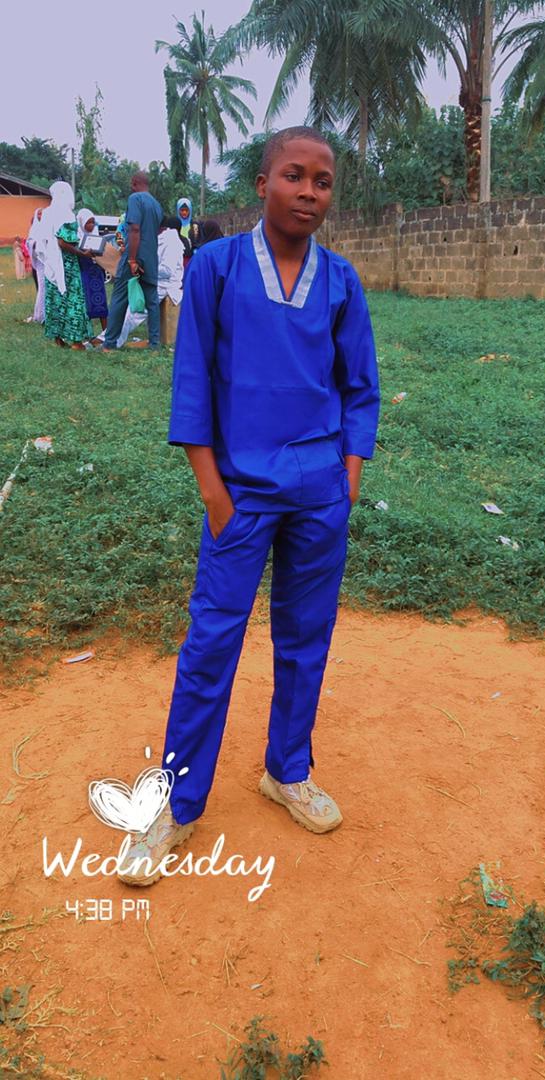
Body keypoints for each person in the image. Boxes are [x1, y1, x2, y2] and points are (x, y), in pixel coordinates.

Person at [117, 126, 380, 886]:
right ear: (263, 183)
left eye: (322, 181)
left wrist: (347, 477)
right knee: (211, 643)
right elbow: (193, 379)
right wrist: (213, 490)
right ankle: (176, 803)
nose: (308, 192)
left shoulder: (341, 281)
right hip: (239, 493)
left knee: (306, 638)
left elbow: (359, 386)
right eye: (293, 175)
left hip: (319, 493)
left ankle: (286, 770)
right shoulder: (218, 268)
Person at [101, 172, 163, 352]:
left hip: (135, 253)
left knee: (120, 297)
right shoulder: (156, 204)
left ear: (135, 183)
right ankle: (154, 344)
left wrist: (132, 259)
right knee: (152, 300)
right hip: (151, 256)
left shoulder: (135, 199)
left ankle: (109, 343)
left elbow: (134, 229)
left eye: (131, 184)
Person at [103, 216, 184, 348]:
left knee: (134, 312)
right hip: (152, 280)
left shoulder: (171, 242)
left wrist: (144, 269)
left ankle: (111, 340)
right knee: (127, 308)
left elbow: (167, 271)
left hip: (165, 285)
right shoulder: (159, 238)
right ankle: (107, 337)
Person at [41, 181, 92, 349]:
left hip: (51, 264)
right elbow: (63, 243)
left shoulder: (48, 213)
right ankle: (76, 342)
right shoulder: (67, 214)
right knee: (73, 300)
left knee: (55, 299)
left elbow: (44, 240)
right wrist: (83, 254)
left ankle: (58, 339)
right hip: (67, 265)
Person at [76, 209, 108, 343]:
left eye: (93, 222)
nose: (91, 225)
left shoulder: (96, 236)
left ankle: (106, 332)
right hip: (84, 273)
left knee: (101, 303)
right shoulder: (77, 238)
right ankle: (87, 334)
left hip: (97, 274)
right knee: (86, 303)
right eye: (88, 223)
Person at [26, 209, 46, 323]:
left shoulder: (48, 226)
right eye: (39, 213)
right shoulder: (34, 229)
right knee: (42, 287)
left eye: (42, 213)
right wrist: (36, 244)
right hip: (39, 261)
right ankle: (40, 315)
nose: (41, 215)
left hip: (49, 261)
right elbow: (29, 242)